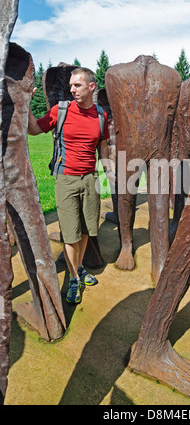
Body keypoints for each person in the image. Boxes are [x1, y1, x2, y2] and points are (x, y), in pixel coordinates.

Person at [28, 67, 111, 304]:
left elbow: (102, 149)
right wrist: (25, 106)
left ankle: (79, 266)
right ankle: (74, 278)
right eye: (71, 85)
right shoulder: (61, 110)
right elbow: (35, 129)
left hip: (90, 179)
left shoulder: (101, 116)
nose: (72, 89)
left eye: (77, 85)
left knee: (85, 229)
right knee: (70, 232)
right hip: (66, 179)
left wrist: (111, 174)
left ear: (91, 87)